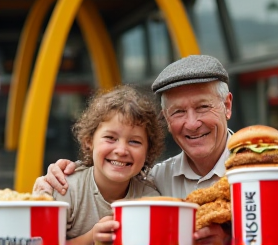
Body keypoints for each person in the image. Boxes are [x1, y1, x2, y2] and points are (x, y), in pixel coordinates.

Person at [34, 54, 233, 245]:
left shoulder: (259, 172)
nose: (191, 123)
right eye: (178, 111)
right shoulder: (157, 179)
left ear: (227, 106)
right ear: (166, 119)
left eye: (203, 107)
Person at [40, 85, 165, 244]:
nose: (121, 150)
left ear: (148, 150)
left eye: (134, 141)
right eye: (111, 138)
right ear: (89, 141)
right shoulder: (66, 188)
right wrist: (91, 238)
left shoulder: (150, 199)